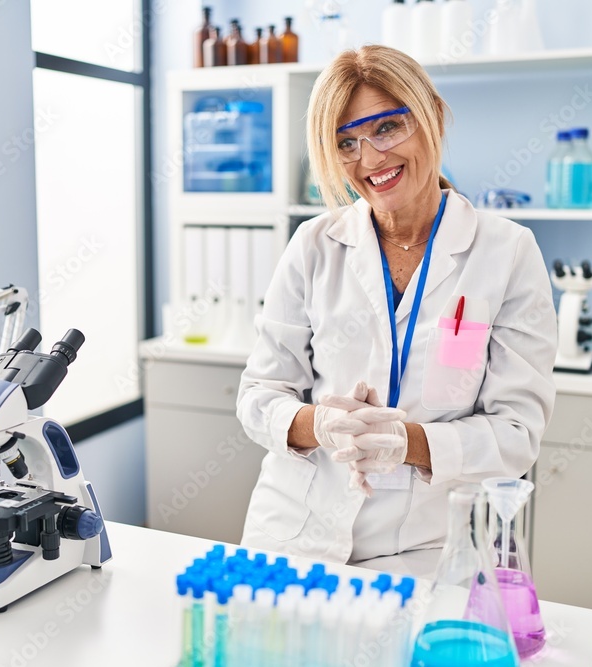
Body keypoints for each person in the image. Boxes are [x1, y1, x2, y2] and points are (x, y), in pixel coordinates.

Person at [235, 45, 557, 576]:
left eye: (387, 128)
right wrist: (321, 424)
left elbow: (517, 434)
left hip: (425, 550)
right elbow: (258, 396)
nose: (369, 159)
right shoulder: (314, 244)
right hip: (292, 535)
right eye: (345, 143)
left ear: (430, 111)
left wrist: (409, 443)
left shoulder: (507, 252)